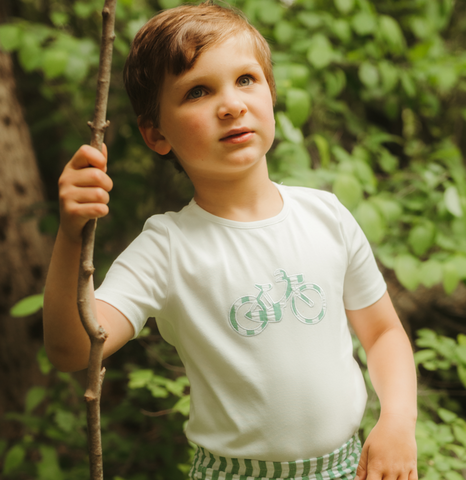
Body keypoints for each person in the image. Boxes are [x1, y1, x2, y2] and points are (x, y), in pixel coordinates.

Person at [43, 2, 418, 479]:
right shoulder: (168, 248)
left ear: (270, 94)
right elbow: (72, 348)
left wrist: (398, 421)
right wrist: (72, 233)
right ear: (156, 134)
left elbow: (383, 333)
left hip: (349, 468)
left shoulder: (326, 216)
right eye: (198, 91)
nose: (232, 104)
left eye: (246, 79)